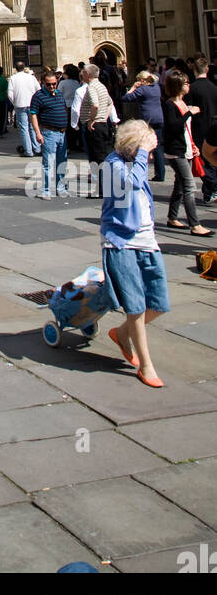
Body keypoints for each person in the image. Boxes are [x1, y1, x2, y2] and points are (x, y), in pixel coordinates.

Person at [100, 120, 170, 388]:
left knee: (159, 303)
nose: (150, 156)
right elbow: (129, 186)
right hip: (120, 242)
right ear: (135, 146)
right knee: (136, 306)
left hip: (147, 240)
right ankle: (147, 365)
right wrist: (142, 153)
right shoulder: (112, 165)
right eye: (148, 150)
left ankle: (121, 333)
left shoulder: (135, 163)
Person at [162, 69, 211, 237]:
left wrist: (193, 145)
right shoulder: (170, 105)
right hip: (176, 152)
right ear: (178, 86)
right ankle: (195, 225)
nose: (188, 85)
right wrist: (190, 112)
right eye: (186, 83)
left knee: (180, 185)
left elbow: (185, 129)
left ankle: (172, 217)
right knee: (189, 186)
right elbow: (174, 126)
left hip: (186, 149)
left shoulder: (183, 102)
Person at [29, 71, 70, 200]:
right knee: (48, 163)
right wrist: (37, 132)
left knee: (62, 161)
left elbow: (64, 109)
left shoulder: (59, 94)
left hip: (62, 133)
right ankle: (46, 190)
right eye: (49, 84)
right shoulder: (38, 96)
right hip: (49, 132)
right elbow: (33, 114)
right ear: (43, 83)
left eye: (54, 84)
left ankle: (60, 188)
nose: (52, 87)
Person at [123, 71, 165, 183]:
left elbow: (126, 98)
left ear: (142, 80)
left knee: (143, 146)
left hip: (147, 120)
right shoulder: (157, 87)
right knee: (158, 146)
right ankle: (160, 173)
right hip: (159, 118)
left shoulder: (142, 90)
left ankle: (143, 172)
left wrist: (133, 88)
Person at [189, 56, 217, 205]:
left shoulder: (192, 89)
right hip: (214, 126)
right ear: (207, 69)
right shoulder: (214, 87)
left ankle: (211, 189)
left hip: (199, 128)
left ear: (194, 70)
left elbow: (189, 111)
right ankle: (210, 190)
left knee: (204, 161)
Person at [7, 63, 40, 157]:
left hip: (20, 105)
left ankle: (28, 151)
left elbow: (10, 93)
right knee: (33, 126)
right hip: (32, 104)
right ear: (24, 68)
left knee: (23, 128)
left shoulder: (13, 78)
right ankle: (37, 148)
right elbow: (38, 90)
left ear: (16, 69)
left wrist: (15, 102)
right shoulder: (31, 77)